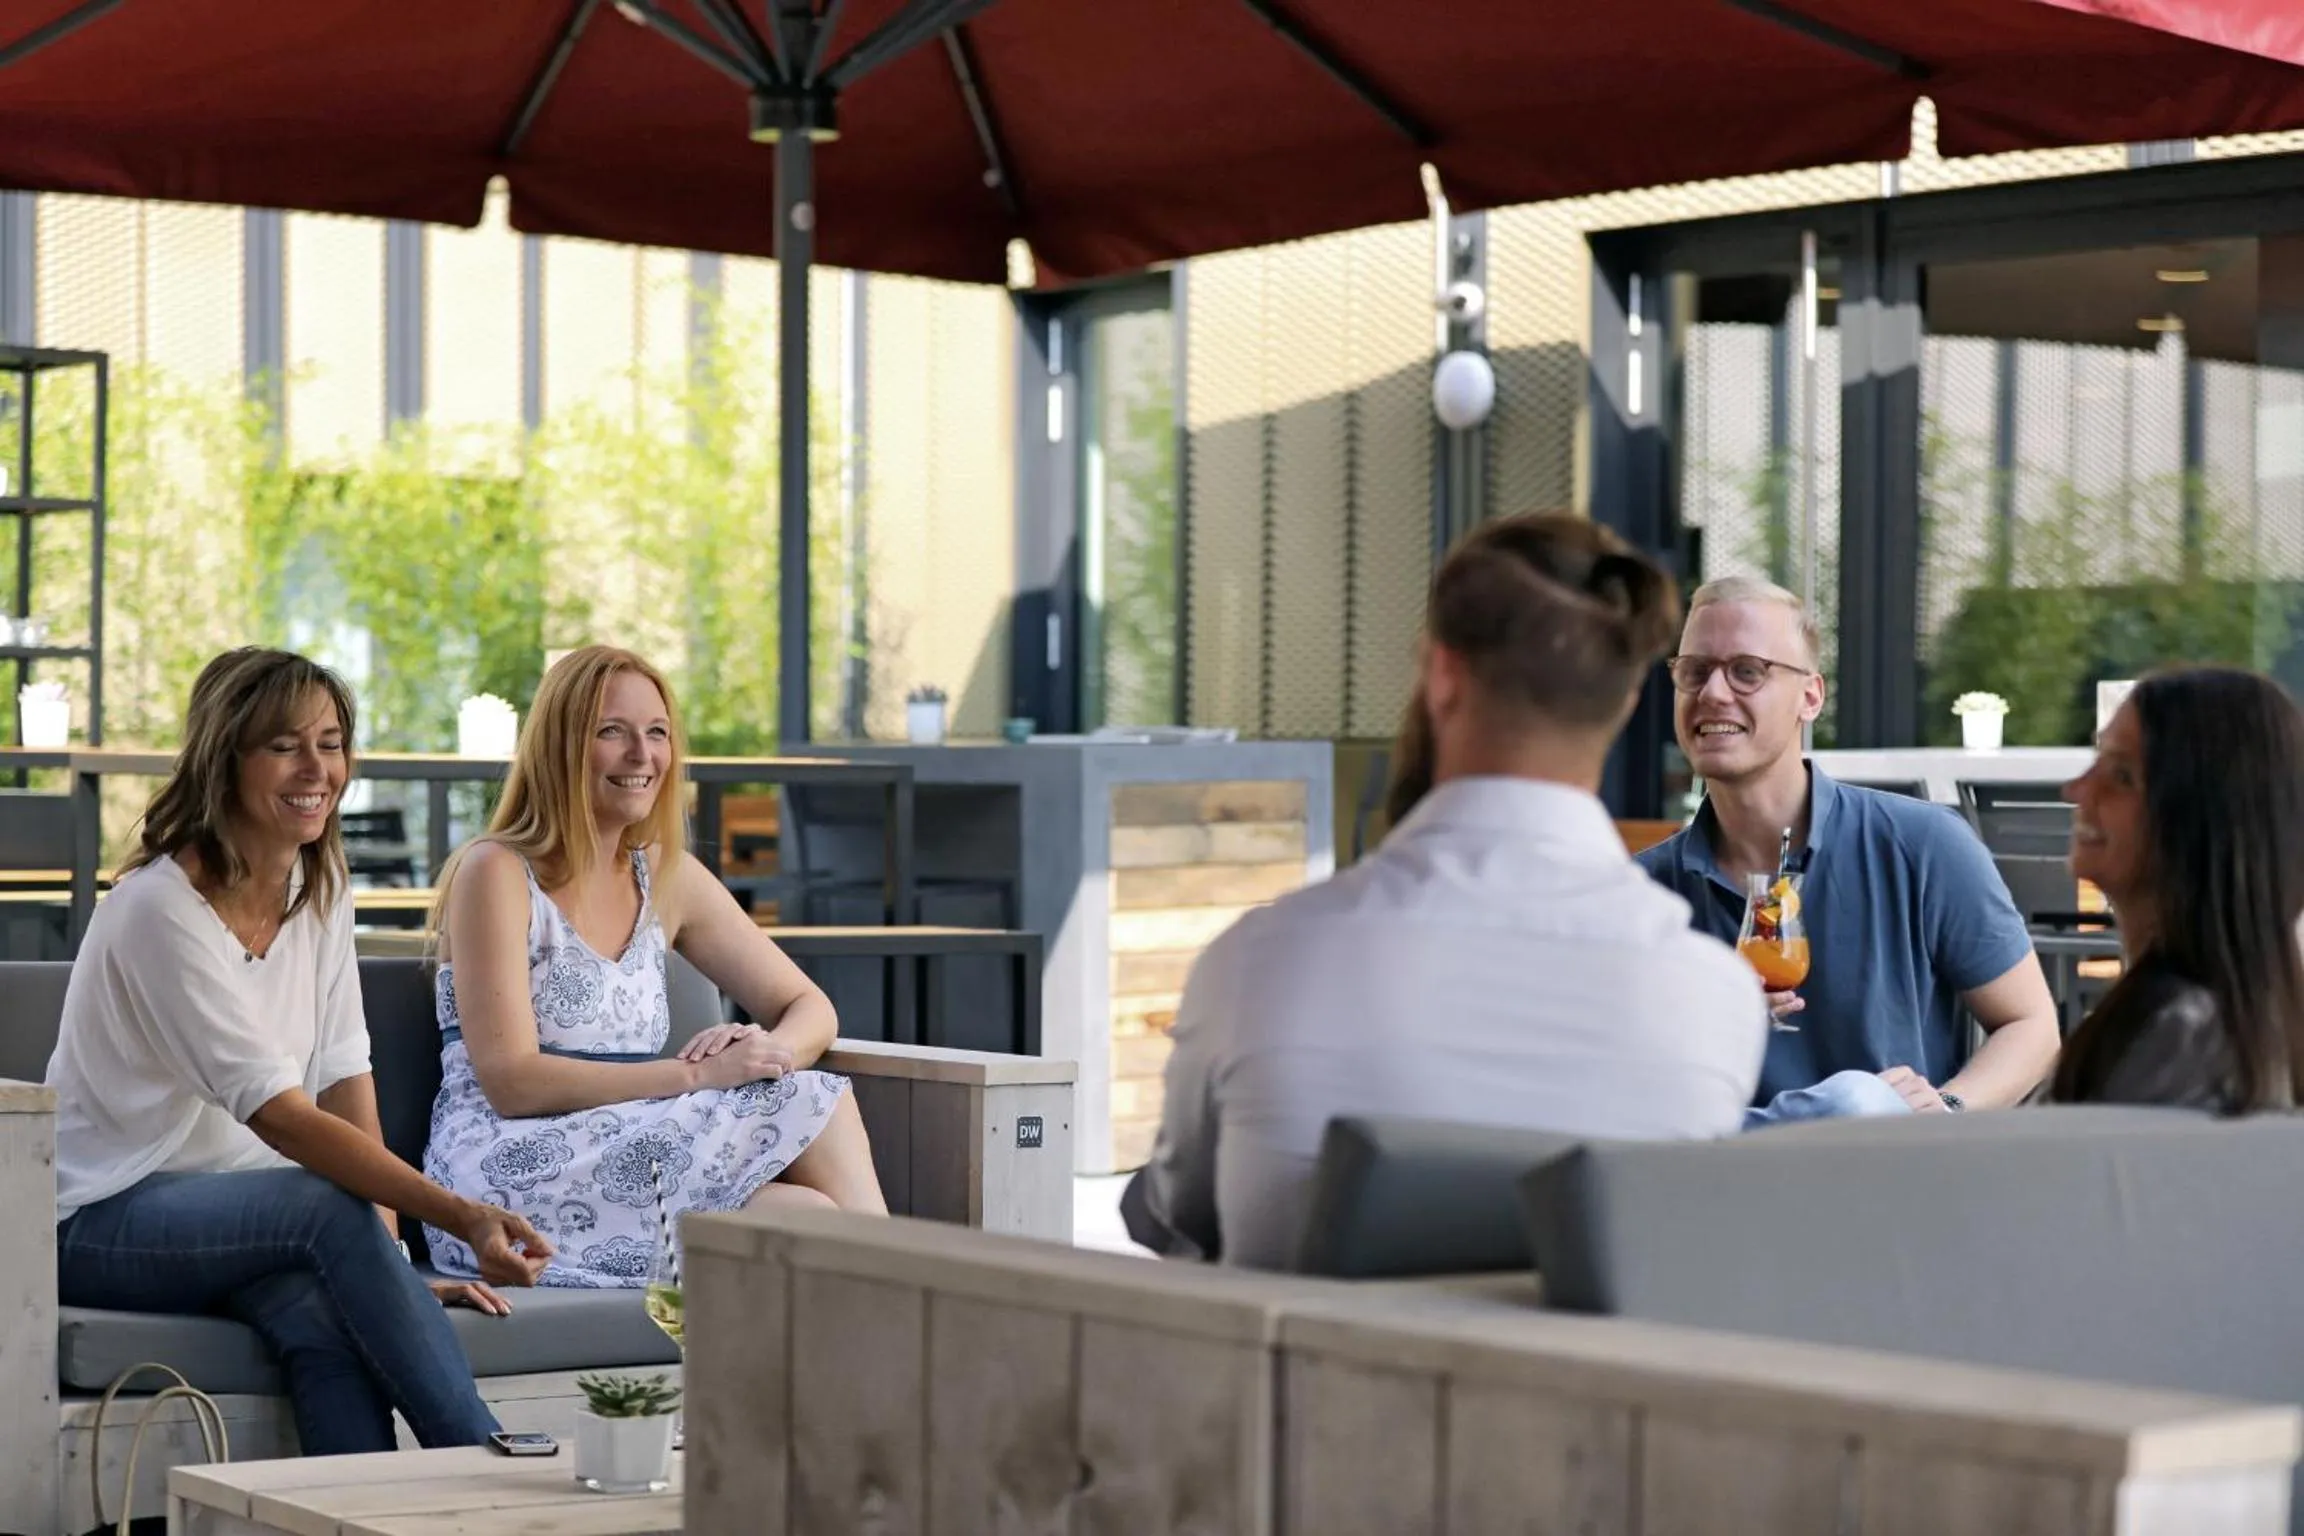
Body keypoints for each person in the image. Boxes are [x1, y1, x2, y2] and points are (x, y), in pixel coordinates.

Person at [1121, 513, 1767, 1270]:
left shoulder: (1261, 965)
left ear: (1442, 676)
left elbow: (1173, 1218)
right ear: (1623, 702)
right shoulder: (1714, 995)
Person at [45, 647, 551, 1456]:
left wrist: (390, 1274)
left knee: (327, 1329)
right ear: (226, 759)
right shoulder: (158, 911)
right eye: (285, 745)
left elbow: (346, 1074)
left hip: (241, 1220)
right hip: (96, 1217)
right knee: (321, 1202)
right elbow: (285, 1120)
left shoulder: (319, 888)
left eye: (331, 741)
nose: (317, 767)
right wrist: (457, 1216)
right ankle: (488, 1468)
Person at [422, 645, 886, 1287]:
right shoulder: (496, 872)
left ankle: (896, 1343)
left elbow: (812, 1010)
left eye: (658, 733)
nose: (643, 755)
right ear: (560, 747)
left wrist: (759, 1054)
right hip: (512, 1162)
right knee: (808, 1108)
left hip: (636, 1142)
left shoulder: (668, 877)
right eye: (612, 732)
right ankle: (919, 1325)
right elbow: (512, 1082)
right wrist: (697, 1077)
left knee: (808, 1212)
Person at [1636, 576, 2060, 1116]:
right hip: (1722, 1174)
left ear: (1809, 697)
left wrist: (1948, 1108)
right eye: (1695, 671)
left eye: (1748, 671)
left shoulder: (1922, 846)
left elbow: (2032, 1025)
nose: (1713, 693)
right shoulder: (1645, 895)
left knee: (1859, 1105)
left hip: (1882, 1171)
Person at [2050, 667, 2304, 1112]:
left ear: (2200, 823)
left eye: (2121, 775)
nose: (2077, 789)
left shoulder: (2181, 1036)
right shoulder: (2232, 1021)